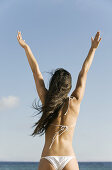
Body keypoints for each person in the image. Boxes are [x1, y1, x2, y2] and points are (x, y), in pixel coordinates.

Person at [17, 31, 102, 170]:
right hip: (69, 157)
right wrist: (93, 49)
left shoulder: (47, 100)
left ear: (53, 83)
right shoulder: (75, 101)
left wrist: (26, 47)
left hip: (48, 157)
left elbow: (36, 72)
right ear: (68, 86)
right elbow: (84, 72)